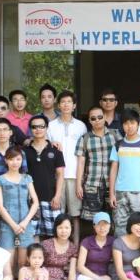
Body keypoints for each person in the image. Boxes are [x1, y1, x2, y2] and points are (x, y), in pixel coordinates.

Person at [47, 90, 87, 245]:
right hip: (56, 176)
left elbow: (84, 154)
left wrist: (81, 179)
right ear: (58, 105)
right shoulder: (51, 126)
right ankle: (58, 247)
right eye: (63, 102)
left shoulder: (81, 126)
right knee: (58, 213)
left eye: (69, 102)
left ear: (74, 105)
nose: (66, 105)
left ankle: (75, 246)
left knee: (75, 214)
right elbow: (44, 147)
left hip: (74, 176)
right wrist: (51, 144)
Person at [109, 109, 140, 237]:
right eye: (126, 123)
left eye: (132, 123)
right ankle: (121, 250)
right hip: (120, 192)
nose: (129, 126)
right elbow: (113, 169)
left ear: (138, 124)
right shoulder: (118, 145)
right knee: (120, 226)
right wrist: (112, 194)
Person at [0, 147, 39, 268]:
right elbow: (0, 206)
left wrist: (25, 222)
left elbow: (35, 202)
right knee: (7, 264)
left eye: (18, 159)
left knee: (23, 264)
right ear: (6, 160)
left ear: (22, 160)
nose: (15, 162)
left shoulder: (27, 178)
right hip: (7, 226)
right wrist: (14, 225)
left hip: (25, 226)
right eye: (11, 159)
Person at [76, 106, 120, 222]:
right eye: (93, 118)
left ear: (104, 117)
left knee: (114, 217)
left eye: (100, 117)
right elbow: (81, 163)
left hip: (113, 183)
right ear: (89, 121)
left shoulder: (115, 135)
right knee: (93, 219)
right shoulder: (85, 138)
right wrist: (78, 184)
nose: (97, 120)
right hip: (92, 183)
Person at [25, 115, 65, 240]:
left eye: (41, 126)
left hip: (51, 197)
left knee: (54, 233)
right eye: (34, 127)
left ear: (46, 128)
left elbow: (60, 174)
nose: (38, 129)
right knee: (33, 234)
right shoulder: (24, 151)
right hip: (31, 199)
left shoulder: (55, 150)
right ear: (30, 129)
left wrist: (57, 196)